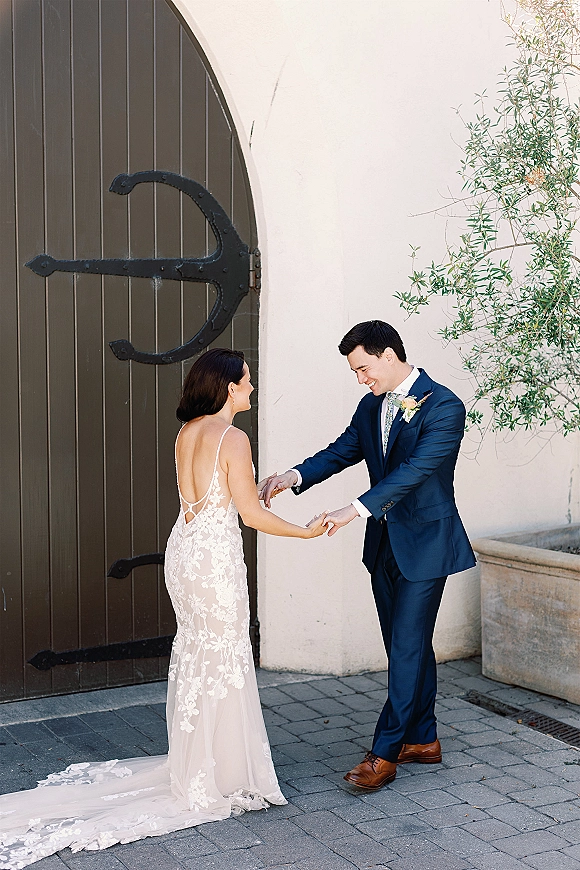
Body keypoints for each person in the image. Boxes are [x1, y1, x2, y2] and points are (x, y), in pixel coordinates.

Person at [0, 348, 327, 869]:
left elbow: (215, 498)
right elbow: (250, 516)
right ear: (225, 387)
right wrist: (306, 530)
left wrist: (256, 495)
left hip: (186, 549)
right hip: (215, 559)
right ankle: (222, 774)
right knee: (222, 655)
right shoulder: (234, 437)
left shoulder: (188, 431)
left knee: (199, 650)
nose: (251, 389)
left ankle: (200, 764)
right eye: (245, 382)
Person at [259, 320, 475, 791]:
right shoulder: (371, 405)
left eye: (362, 369)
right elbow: (343, 450)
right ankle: (424, 738)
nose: (360, 379)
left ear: (389, 355)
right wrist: (293, 476)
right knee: (406, 644)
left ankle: (384, 752)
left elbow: (416, 471)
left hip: (426, 543)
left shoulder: (444, 406)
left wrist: (353, 509)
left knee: (406, 645)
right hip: (384, 545)